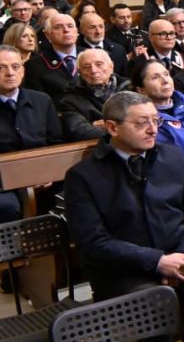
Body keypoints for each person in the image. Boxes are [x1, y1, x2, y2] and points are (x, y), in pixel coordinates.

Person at [63, 91, 184, 301]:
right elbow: (93, 242)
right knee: (155, 299)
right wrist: (157, 261)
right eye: (142, 123)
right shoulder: (82, 176)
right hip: (126, 272)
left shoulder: (172, 156)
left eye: (156, 120)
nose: (153, 130)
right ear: (112, 127)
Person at [0, 45, 61, 220]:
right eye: (1, 68)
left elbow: (56, 144)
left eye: (15, 67)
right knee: (7, 206)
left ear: (23, 71)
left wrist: (48, 173)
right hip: (3, 183)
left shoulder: (42, 100)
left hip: (42, 175)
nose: (10, 73)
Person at [59, 49, 130, 142]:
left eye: (99, 64)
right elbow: (80, 131)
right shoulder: (69, 100)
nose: (93, 70)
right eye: (86, 67)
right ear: (79, 72)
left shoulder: (132, 89)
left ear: (111, 66)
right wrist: (127, 127)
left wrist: (109, 126)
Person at [23, 13, 79, 100]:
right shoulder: (35, 66)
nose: (66, 30)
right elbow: (39, 101)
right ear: (47, 35)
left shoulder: (93, 55)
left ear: (76, 31)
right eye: (58, 27)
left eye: (70, 26)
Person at [78, 12, 129, 77]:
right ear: (81, 30)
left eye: (101, 27)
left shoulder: (118, 50)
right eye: (92, 27)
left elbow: (126, 78)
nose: (98, 31)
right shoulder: (75, 52)